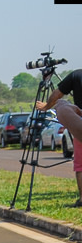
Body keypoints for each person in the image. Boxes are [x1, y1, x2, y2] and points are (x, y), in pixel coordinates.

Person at [39, 69, 82, 206]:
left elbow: (57, 94)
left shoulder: (76, 75)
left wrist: (46, 106)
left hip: (80, 125)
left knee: (80, 165)